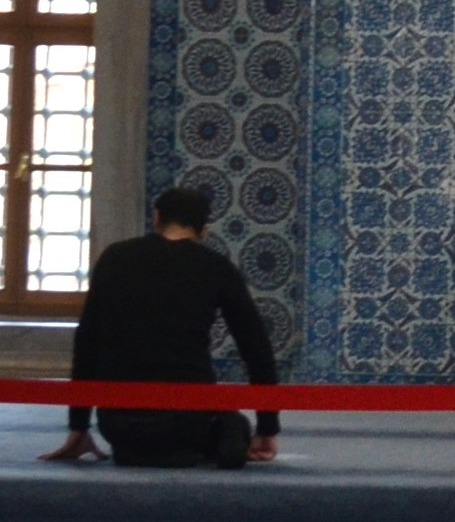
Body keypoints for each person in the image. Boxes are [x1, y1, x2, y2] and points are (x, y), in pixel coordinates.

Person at [45, 183, 283, 469]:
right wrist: (267, 428)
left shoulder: (115, 258)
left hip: (119, 424)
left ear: (156, 218)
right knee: (233, 423)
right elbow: (256, 349)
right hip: (187, 422)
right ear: (204, 230)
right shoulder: (216, 267)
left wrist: (79, 427)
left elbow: (87, 344)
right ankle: (224, 436)